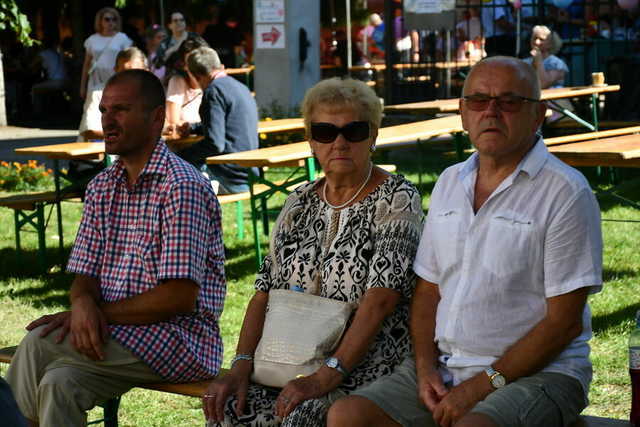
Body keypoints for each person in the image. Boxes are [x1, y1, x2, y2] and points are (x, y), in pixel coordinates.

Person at [327, 56, 603, 427]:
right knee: (348, 416)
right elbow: (428, 290)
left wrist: (480, 387)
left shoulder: (565, 192)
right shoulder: (450, 182)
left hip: (542, 375)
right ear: (462, 113)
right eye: (478, 100)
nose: (491, 111)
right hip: (446, 366)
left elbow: (563, 324)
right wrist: (425, 368)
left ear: (538, 115)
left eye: (508, 101)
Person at [6, 69, 226, 427]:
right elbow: (85, 275)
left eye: (120, 110)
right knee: (60, 383)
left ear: (157, 119)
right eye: (104, 110)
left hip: (180, 338)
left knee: (37, 343)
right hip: (119, 333)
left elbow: (178, 298)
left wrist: (96, 314)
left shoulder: (181, 187)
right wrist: (81, 303)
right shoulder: (102, 186)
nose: (107, 120)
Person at [202, 77, 423, 427]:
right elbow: (263, 292)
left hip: (364, 364)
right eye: (324, 132)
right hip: (284, 359)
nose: (339, 142)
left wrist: (330, 372)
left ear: (373, 136)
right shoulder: (298, 201)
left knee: (301, 416)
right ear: (310, 141)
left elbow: (382, 298)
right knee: (228, 408)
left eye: (354, 131)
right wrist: (242, 363)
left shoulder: (396, 198)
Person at [178, 46, 258, 194]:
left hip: (231, 176)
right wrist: (194, 128)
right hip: (251, 171)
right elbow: (226, 123)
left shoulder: (213, 92)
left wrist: (181, 155)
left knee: (176, 164)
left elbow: (215, 144)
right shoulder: (240, 87)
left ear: (197, 76)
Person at [78, 7, 132, 141]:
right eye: (107, 19)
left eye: (114, 19)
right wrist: (82, 86)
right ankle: (87, 141)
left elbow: (129, 59)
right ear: (100, 21)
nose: (110, 22)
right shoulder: (92, 39)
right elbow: (86, 64)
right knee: (91, 109)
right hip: (95, 78)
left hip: (115, 77)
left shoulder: (122, 38)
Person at [164, 36, 208, 130]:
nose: (196, 65)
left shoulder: (215, 83)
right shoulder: (177, 82)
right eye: (191, 61)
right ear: (183, 65)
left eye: (199, 60)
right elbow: (173, 123)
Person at [30, 33, 68, 117]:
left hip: (56, 82)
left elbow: (31, 65)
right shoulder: (58, 53)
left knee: (35, 89)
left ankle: (37, 113)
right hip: (66, 81)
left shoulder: (44, 54)